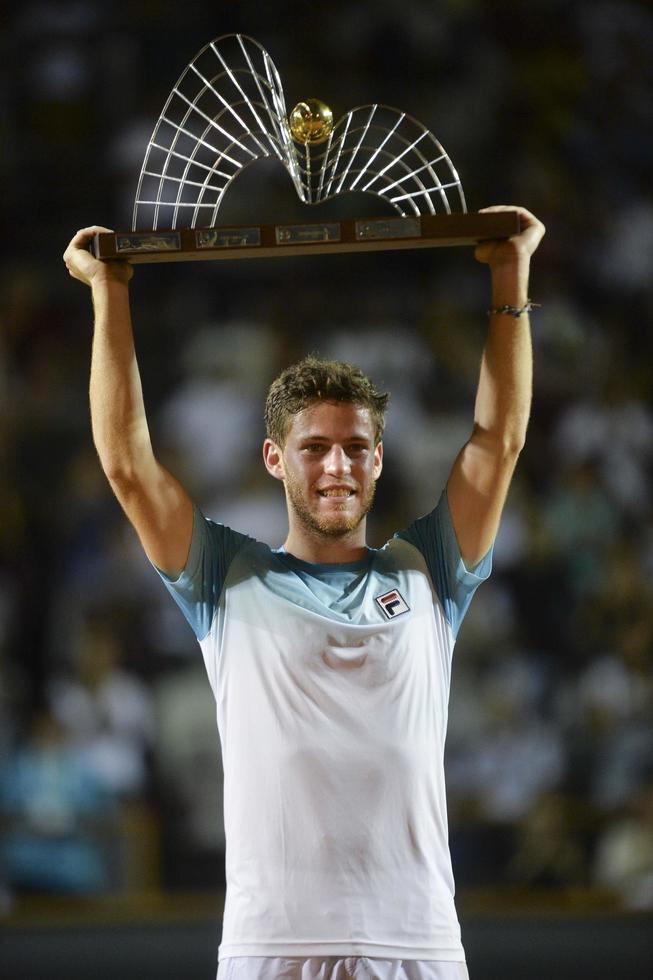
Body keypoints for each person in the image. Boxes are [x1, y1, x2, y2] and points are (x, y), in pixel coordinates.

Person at [63, 205, 545, 980]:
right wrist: (108, 292)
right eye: (313, 448)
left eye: (355, 448)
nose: (336, 468)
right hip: (271, 947)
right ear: (273, 460)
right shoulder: (224, 574)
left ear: (379, 461)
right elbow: (127, 463)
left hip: (416, 943)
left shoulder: (430, 572)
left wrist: (509, 273)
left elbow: (498, 440)